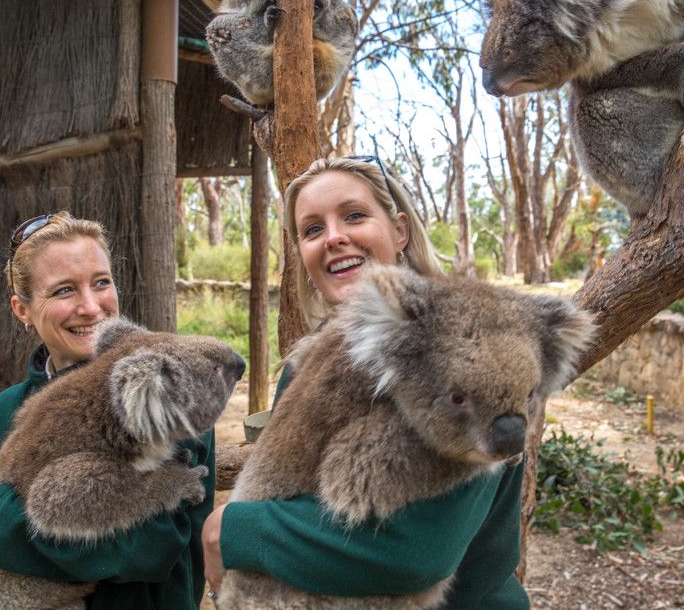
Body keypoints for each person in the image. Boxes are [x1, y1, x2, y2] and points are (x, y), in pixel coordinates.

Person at [202, 156, 531, 609]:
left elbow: (415, 553)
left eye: (354, 216)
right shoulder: (309, 361)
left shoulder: (463, 344)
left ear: (400, 230)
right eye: (312, 230)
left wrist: (234, 530)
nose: (334, 237)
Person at [0, 212, 215, 610]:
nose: (90, 307)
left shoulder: (165, 396)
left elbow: (149, 546)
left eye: (101, 283)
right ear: (22, 309)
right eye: (64, 290)